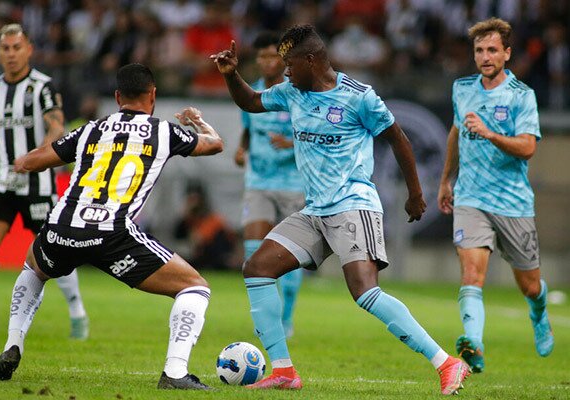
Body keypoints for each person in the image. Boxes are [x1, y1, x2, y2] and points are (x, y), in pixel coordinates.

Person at [211, 24, 470, 395]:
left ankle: (446, 362)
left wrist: (415, 193)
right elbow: (251, 101)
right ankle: (284, 371)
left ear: (312, 60)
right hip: (315, 211)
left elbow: (398, 138)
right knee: (257, 268)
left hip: (352, 205)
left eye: (290, 64)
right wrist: (230, 74)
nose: (284, 72)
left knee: (364, 292)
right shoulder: (292, 93)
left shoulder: (359, 97)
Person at [0, 63, 224, 390]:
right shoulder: (164, 131)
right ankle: (175, 372)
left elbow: (34, 161)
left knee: (33, 268)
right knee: (195, 287)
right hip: (112, 234)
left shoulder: (90, 129)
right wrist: (199, 122)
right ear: (153, 95)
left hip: (63, 227)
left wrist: (21, 159)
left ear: (116, 97)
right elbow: (214, 143)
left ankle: (13, 343)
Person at [0, 24, 89, 340]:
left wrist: (37, 157)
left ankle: (78, 313)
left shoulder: (43, 87)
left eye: (16, 48)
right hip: (0, 180)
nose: (10, 54)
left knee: (55, 250)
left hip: (38, 183)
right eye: (5, 48)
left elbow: (57, 129)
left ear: (29, 50)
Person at [437, 17, 553, 373]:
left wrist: (489, 134)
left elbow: (528, 147)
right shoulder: (462, 88)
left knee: (529, 285)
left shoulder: (521, 96)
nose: (485, 56)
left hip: (513, 203)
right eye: (479, 50)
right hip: (471, 198)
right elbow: (456, 131)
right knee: (472, 273)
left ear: (507, 53)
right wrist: (446, 180)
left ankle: (539, 310)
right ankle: (474, 343)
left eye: (492, 50)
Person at [234, 31, 305, 338]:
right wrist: (242, 149)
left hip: (293, 182)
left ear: (284, 58)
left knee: (290, 254)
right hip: (259, 181)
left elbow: (316, 136)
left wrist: (290, 144)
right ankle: (264, 319)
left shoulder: (298, 93)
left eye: (272, 56)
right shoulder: (252, 94)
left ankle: (286, 316)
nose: (266, 62)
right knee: (253, 249)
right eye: (261, 56)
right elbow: (248, 130)